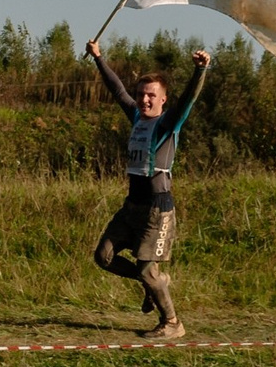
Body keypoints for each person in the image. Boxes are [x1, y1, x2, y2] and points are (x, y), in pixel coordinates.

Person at [84, 38, 210, 339]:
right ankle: (153, 283)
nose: (144, 100)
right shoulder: (137, 117)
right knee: (104, 257)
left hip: (157, 209)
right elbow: (117, 90)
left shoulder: (169, 124)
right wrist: (98, 58)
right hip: (132, 207)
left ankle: (172, 323)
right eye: (141, 95)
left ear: (163, 99)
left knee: (145, 269)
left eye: (151, 96)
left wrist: (200, 70)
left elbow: (190, 99)